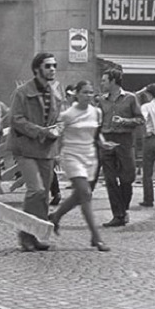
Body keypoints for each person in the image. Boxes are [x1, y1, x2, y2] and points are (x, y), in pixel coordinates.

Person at [49, 80, 114, 252]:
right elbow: (58, 134)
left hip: (90, 156)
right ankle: (96, 237)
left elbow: (96, 133)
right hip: (71, 155)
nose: (88, 96)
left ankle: (55, 217)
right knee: (85, 193)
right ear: (76, 94)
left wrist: (103, 143)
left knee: (80, 195)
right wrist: (55, 154)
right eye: (84, 92)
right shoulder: (67, 114)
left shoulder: (97, 112)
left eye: (91, 92)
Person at [8, 53, 63, 252]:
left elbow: (57, 121)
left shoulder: (56, 94)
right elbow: (15, 119)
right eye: (48, 66)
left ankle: (37, 234)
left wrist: (57, 133)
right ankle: (24, 234)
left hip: (47, 149)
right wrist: (40, 131)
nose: (53, 69)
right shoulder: (22, 92)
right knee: (36, 190)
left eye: (55, 65)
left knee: (44, 195)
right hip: (25, 148)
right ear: (37, 69)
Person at [98, 68, 144, 227]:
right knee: (110, 180)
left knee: (127, 178)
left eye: (104, 80)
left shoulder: (131, 98)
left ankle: (123, 211)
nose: (102, 83)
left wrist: (124, 121)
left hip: (124, 140)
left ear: (113, 81)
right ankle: (118, 215)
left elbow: (140, 120)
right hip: (106, 140)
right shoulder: (101, 100)